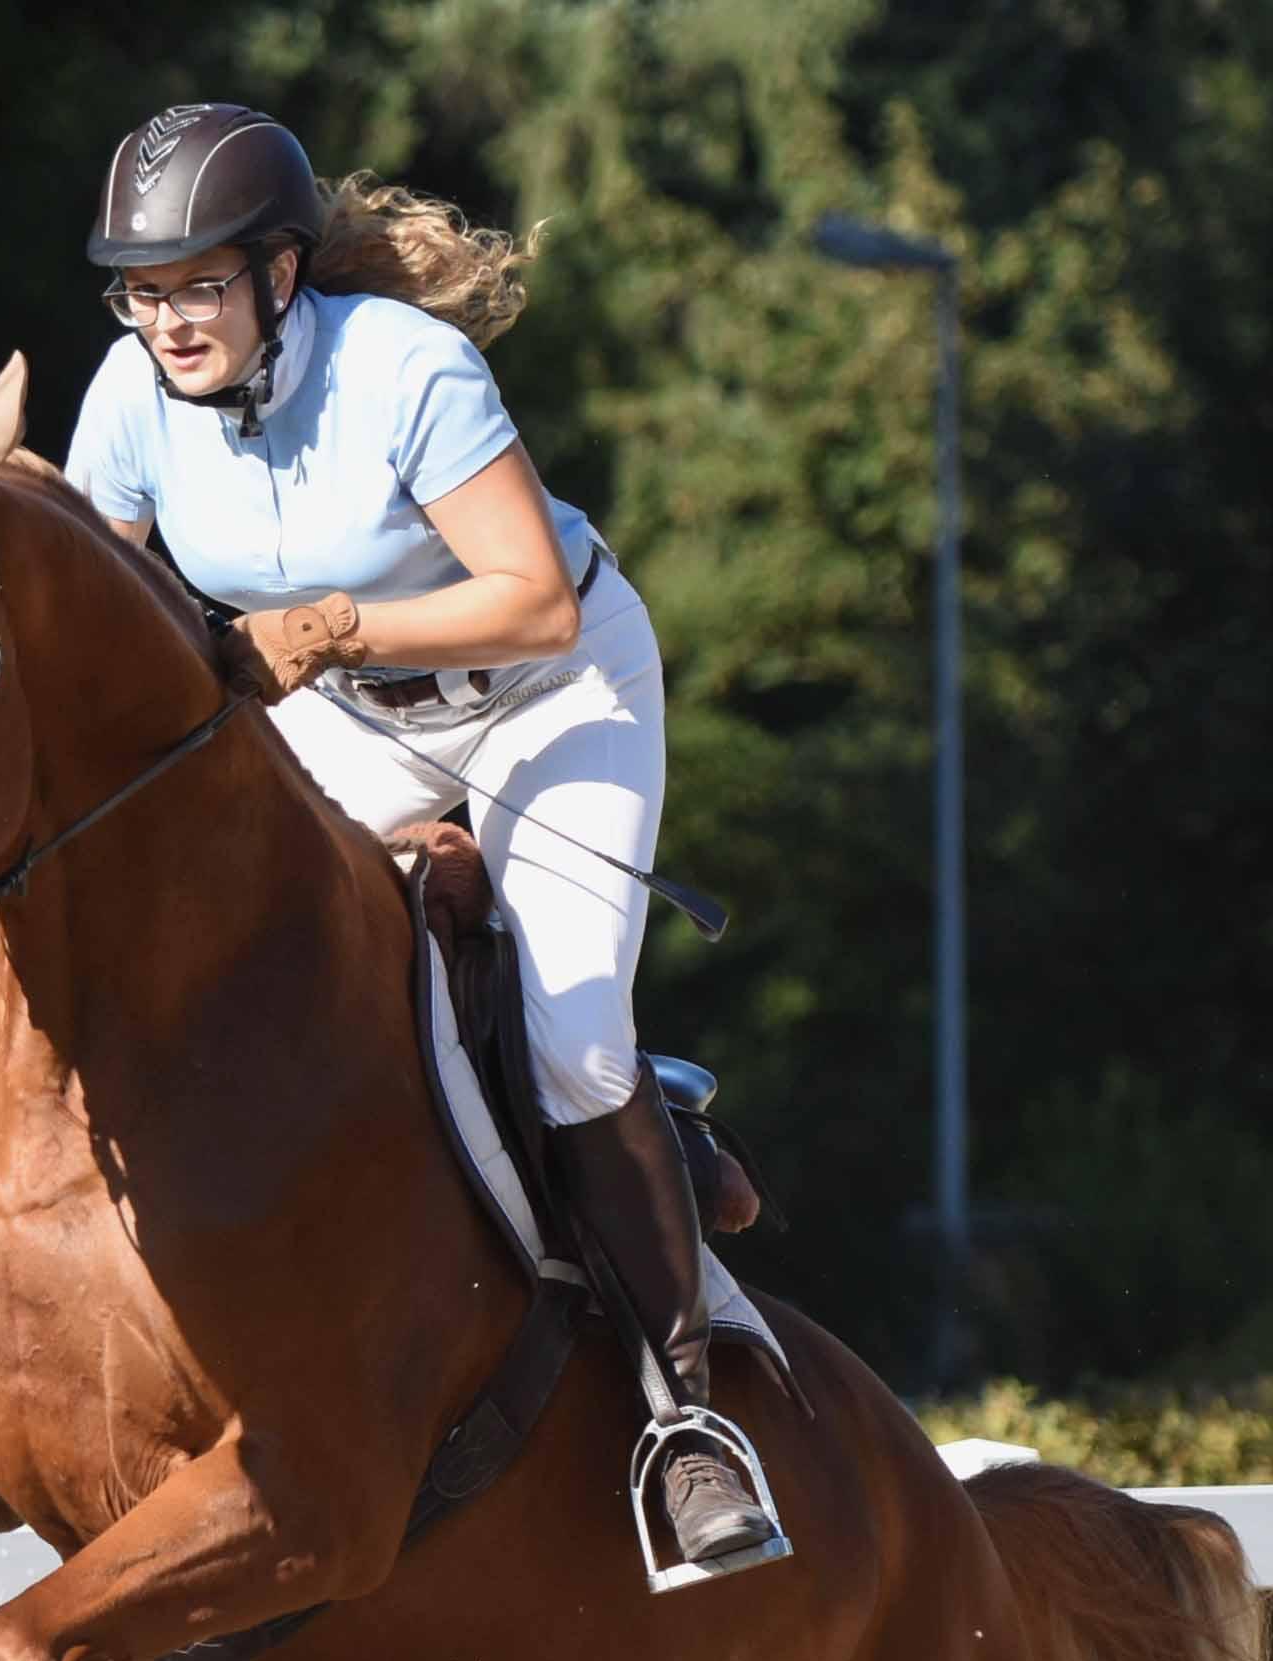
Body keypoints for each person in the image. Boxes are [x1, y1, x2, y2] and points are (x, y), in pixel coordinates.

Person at [64, 101, 784, 1580]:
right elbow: (95, 621)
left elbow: (536, 600)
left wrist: (332, 627)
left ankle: (686, 1420)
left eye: (199, 283)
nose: (168, 320)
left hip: (544, 694)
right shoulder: (128, 403)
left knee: (574, 1034)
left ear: (277, 275)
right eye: (143, 290)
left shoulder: (408, 368)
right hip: (343, 722)